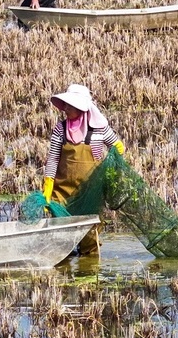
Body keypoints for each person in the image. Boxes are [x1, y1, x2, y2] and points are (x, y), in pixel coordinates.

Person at [39, 84, 122, 256]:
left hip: (89, 194)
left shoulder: (99, 130)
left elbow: (118, 148)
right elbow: (53, 159)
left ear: (80, 107)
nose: (65, 109)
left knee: (89, 244)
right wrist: (48, 188)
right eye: (65, 104)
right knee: (62, 242)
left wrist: (107, 171)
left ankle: (89, 275)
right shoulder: (60, 129)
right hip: (63, 193)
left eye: (69, 105)